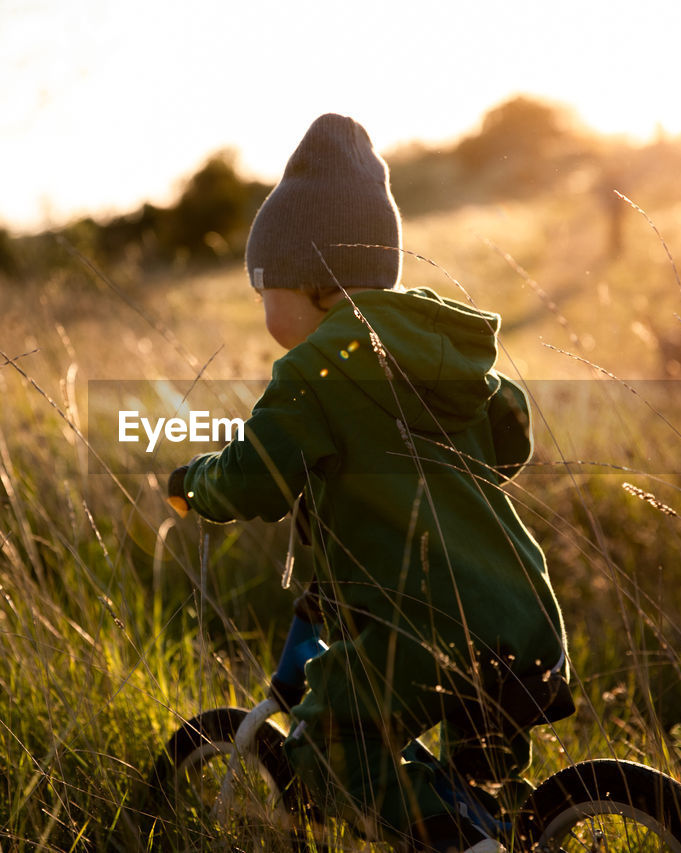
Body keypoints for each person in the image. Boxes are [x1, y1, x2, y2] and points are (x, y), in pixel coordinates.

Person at [167, 113, 570, 852]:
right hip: (524, 619)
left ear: (315, 283)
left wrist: (192, 484)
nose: (262, 308)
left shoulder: (313, 374)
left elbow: (254, 476)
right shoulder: (444, 358)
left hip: (426, 629)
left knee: (331, 752)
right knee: (477, 792)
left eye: (265, 285)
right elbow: (512, 430)